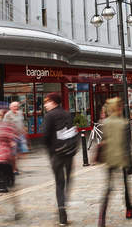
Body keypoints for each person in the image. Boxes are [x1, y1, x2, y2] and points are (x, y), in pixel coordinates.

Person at [98, 97, 132, 226]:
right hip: (122, 158)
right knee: (126, 185)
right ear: (118, 108)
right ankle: (129, 209)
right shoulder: (124, 123)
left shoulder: (105, 122)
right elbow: (127, 145)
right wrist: (131, 163)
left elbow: (103, 141)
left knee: (108, 187)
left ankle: (102, 216)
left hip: (109, 158)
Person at [43, 92, 77, 226]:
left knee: (59, 183)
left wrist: (50, 151)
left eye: (47, 101)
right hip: (69, 153)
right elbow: (72, 130)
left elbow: (45, 136)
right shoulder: (67, 113)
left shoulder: (49, 116)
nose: (45, 104)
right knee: (68, 180)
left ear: (54, 102)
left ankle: (62, 211)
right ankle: (65, 202)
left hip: (57, 154)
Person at [4, 101, 28, 174]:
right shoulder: (7, 115)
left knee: (23, 152)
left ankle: (15, 165)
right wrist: (9, 139)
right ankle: (14, 169)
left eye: (17, 106)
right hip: (13, 136)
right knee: (13, 154)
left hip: (21, 136)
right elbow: (5, 127)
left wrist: (25, 132)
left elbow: (22, 123)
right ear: (10, 107)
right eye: (14, 106)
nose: (16, 107)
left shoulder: (20, 113)